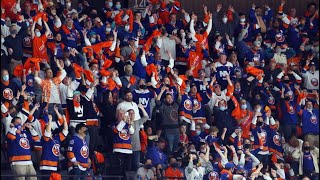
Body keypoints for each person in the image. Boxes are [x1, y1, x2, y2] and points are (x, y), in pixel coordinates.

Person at [39, 113, 68, 180]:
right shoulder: (44, 138)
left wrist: (65, 121)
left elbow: (65, 132)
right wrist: (50, 121)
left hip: (55, 165)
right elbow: (47, 133)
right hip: (46, 166)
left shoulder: (56, 138)